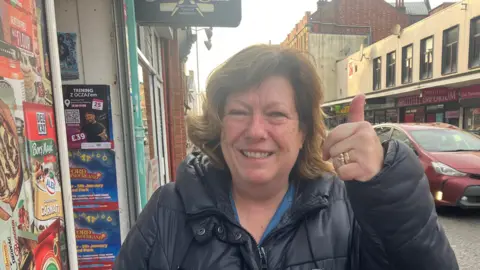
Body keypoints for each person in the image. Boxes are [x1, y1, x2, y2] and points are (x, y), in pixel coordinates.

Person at [114, 45, 458, 269]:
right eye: (238, 112)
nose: (255, 130)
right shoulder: (166, 212)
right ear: (219, 125)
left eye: (276, 114)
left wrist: (386, 186)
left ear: (303, 131)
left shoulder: (350, 210)